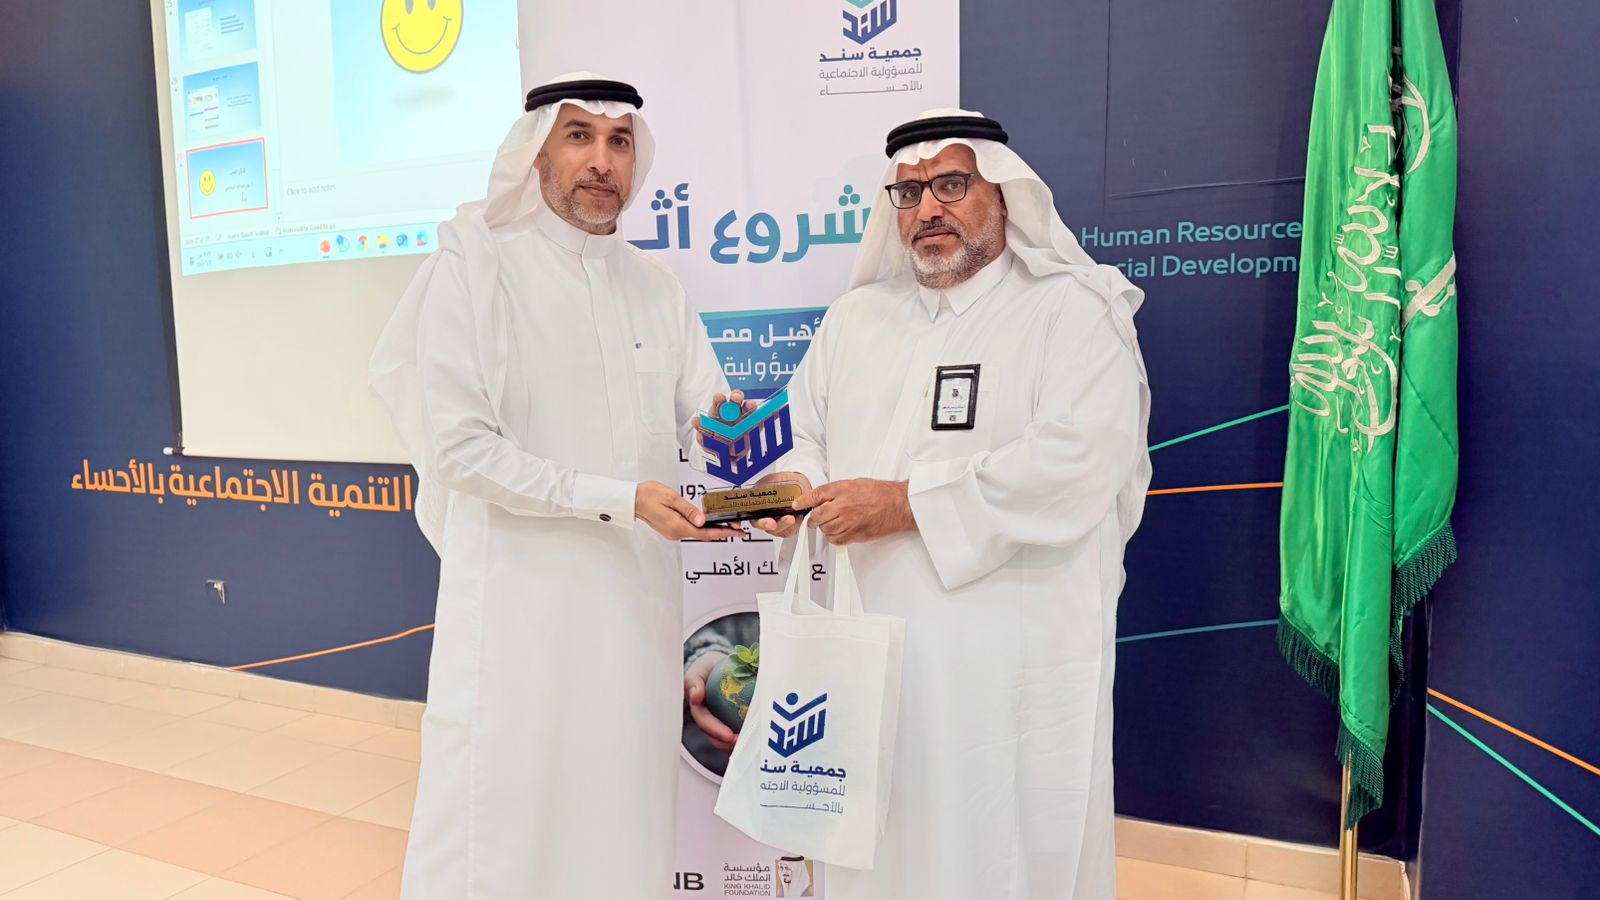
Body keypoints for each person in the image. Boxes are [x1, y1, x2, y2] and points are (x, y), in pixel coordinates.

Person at [752, 108, 1152, 899]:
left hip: (1005, 657)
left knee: (998, 843)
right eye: (909, 193)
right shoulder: (857, 318)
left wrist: (903, 505)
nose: (928, 208)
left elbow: (1079, 461)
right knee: (883, 844)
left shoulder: (1072, 308)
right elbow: (803, 433)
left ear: (1001, 194)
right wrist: (794, 487)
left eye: (951, 186)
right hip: (870, 647)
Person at [369, 72, 748, 899]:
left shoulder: (657, 287)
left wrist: (750, 460)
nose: (601, 160)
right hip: (520, 614)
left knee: (621, 814)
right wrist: (619, 499)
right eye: (579, 136)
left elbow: (707, 419)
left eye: (619, 141)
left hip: (633, 611)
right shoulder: (477, 266)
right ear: (538, 154)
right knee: (506, 823)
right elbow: (461, 449)